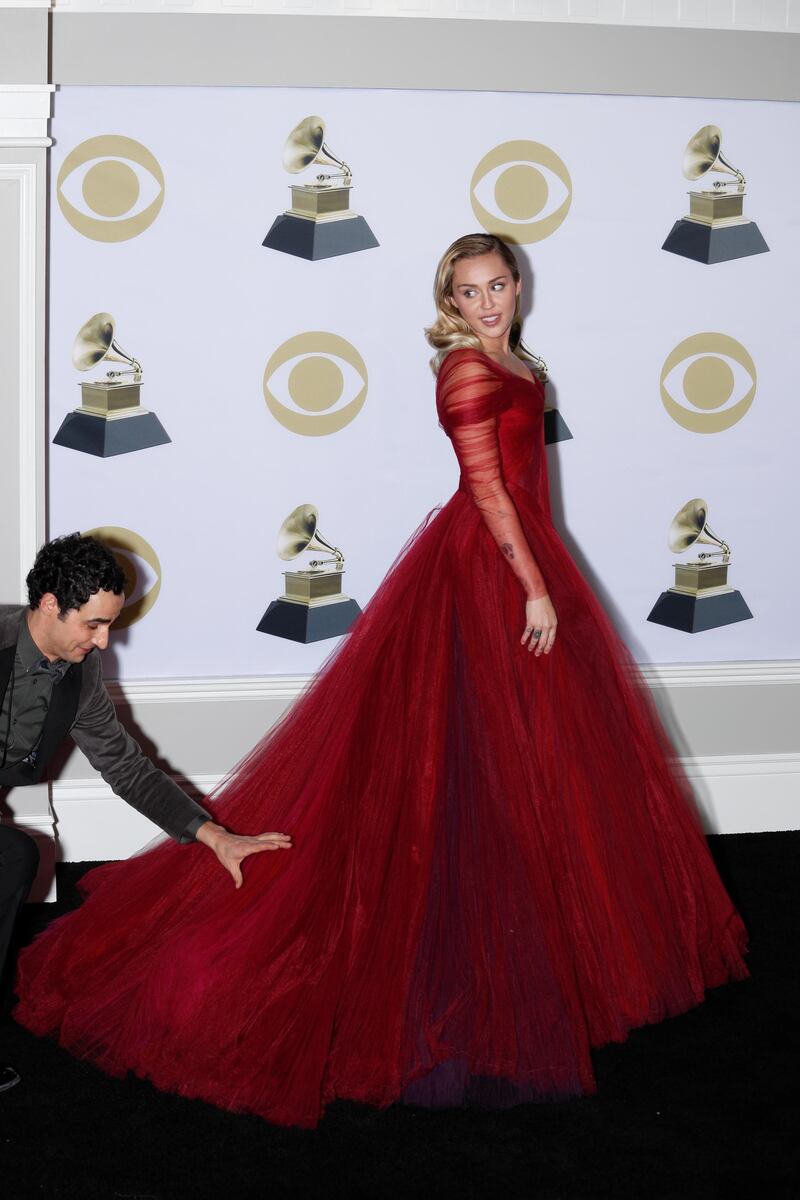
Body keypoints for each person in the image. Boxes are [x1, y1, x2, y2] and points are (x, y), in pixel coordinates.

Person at [14, 235, 747, 1128]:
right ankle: (456, 969)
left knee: (527, 770)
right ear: (449, 297)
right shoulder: (468, 375)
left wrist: (542, 577)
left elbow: (528, 486)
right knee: (459, 768)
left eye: (498, 285)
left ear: (518, 285)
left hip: (517, 568)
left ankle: (541, 960)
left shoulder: (516, 360)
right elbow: (488, 491)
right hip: (491, 579)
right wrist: (538, 588)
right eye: (468, 291)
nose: (486, 303)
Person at [1, 534, 290, 1091]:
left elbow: (127, 768)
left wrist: (214, 835)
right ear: (49, 606)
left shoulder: (79, 677)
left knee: (13, 858)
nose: (105, 640)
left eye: (110, 624)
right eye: (94, 625)